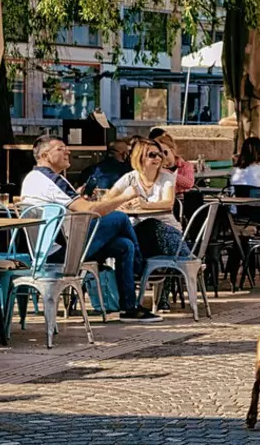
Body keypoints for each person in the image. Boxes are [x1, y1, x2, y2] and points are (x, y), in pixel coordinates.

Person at [17, 134, 156, 320]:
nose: (68, 151)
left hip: (47, 249)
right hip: (62, 251)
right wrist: (125, 196)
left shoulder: (35, 178)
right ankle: (140, 268)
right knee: (121, 218)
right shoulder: (51, 179)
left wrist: (77, 196)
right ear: (44, 156)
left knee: (124, 246)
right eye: (60, 148)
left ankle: (129, 308)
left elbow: (70, 208)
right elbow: (89, 211)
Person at [110, 138, 191, 258]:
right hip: (138, 230)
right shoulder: (130, 178)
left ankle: (186, 259)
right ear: (140, 156)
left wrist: (145, 205)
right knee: (125, 236)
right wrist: (121, 201)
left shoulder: (167, 177)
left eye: (160, 154)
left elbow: (168, 202)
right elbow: (109, 198)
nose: (158, 158)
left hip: (166, 229)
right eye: (152, 155)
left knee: (150, 224)